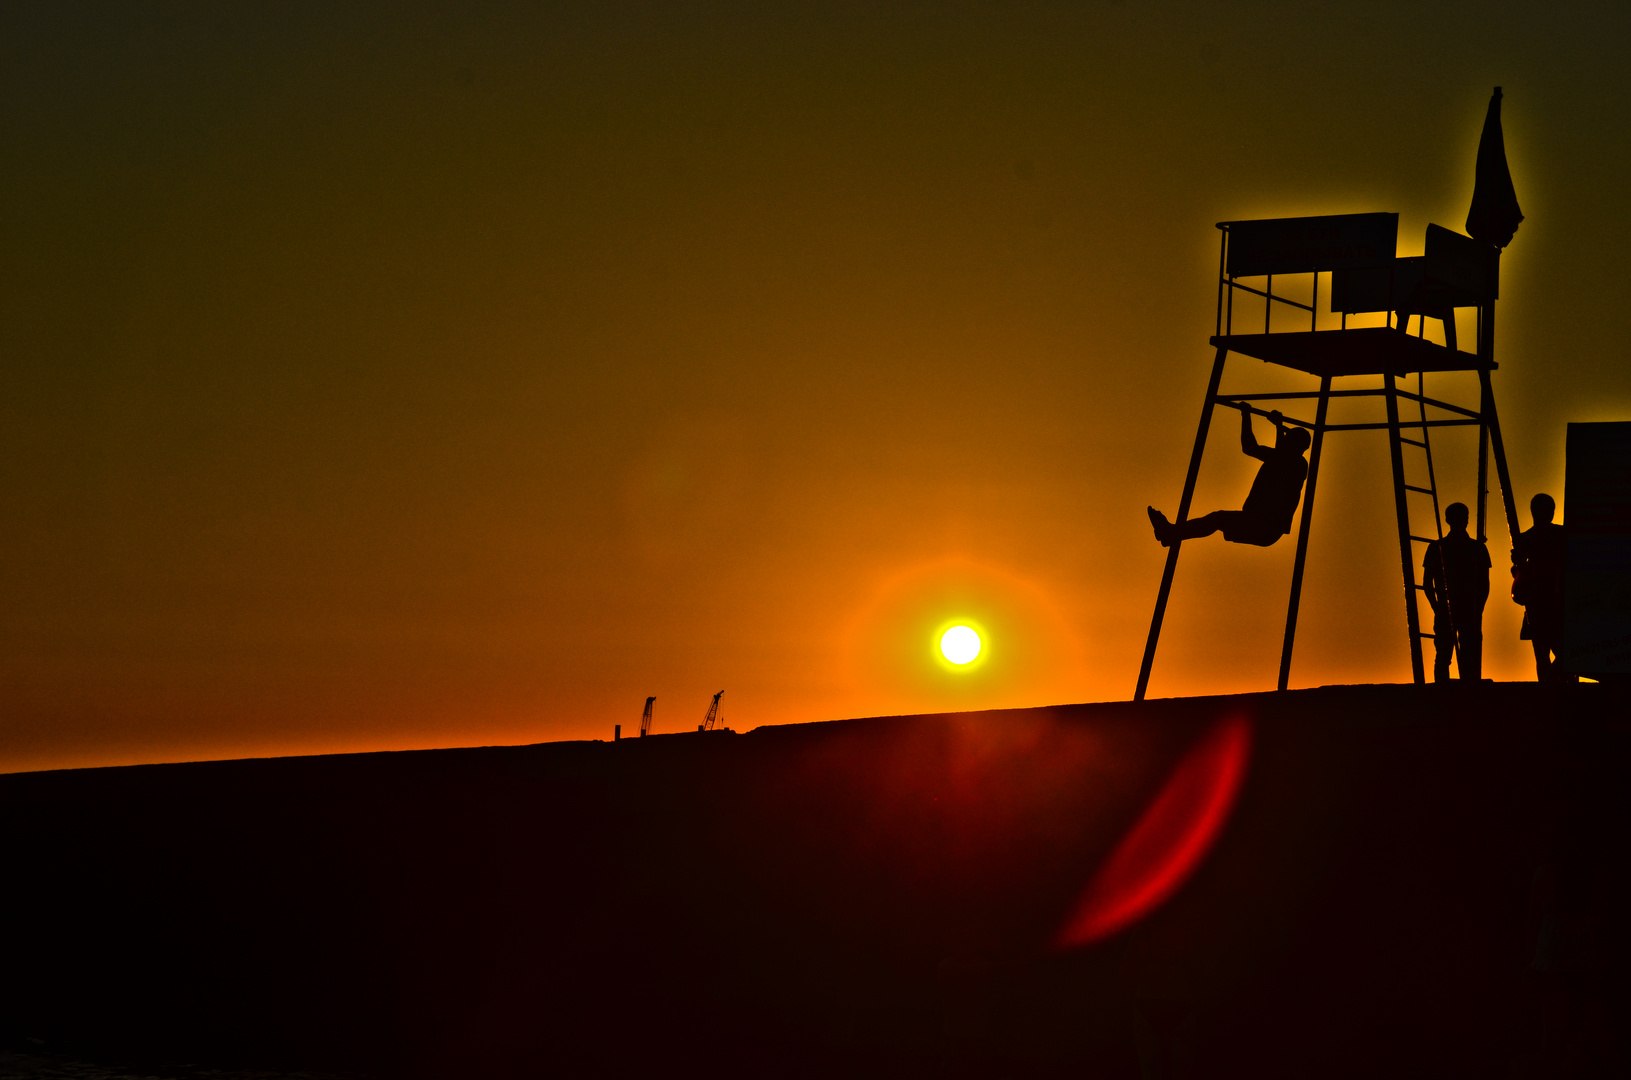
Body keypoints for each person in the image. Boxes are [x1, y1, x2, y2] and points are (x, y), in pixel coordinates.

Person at [1147, 403, 1311, 547]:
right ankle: (1173, 534)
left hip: (1263, 526)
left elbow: (1249, 447)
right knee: (1218, 520)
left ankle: (1173, 533)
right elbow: (1280, 453)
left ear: (1293, 445)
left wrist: (1246, 414)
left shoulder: (1293, 462)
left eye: (1287, 439)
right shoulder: (1291, 462)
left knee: (1217, 519)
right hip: (1262, 524)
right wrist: (1278, 426)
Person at [1422, 502, 1490, 682]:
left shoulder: (1475, 548)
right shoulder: (1475, 548)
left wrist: (1437, 607)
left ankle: (1452, 694)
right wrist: (1438, 608)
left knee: (1454, 656)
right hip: (1461, 609)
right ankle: (1452, 694)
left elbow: (1485, 584)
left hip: (1464, 610)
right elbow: (1427, 584)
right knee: (1449, 655)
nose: (1463, 520)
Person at [1514, 493, 1569, 682]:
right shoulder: (1559, 535)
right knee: (1548, 651)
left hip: (1549, 600)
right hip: (1546, 601)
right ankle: (1550, 686)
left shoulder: (1527, 538)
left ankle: (1550, 685)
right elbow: (1518, 570)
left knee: (1550, 652)